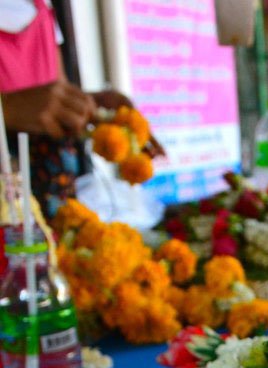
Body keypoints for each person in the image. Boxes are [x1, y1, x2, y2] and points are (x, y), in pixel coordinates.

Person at [0, 0, 158, 216]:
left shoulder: (41, 7)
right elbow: (23, 104)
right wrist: (7, 109)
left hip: (50, 194)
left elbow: (55, 91)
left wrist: (95, 107)